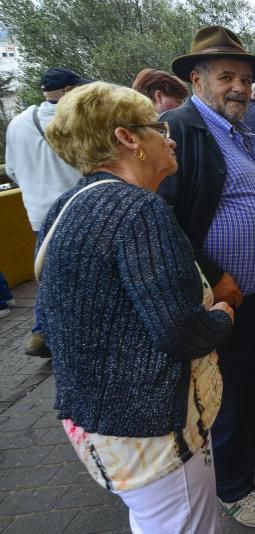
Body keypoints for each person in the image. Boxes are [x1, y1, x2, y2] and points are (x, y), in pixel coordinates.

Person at [38, 81, 234, 533]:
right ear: (127, 138)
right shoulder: (140, 211)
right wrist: (220, 319)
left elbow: (49, 318)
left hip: (100, 423)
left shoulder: (67, 205)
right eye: (158, 128)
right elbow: (180, 331)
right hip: (153, 428)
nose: (170, 138)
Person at [159, 25, 255, 527]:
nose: (239, 87)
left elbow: (233, 186)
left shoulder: (238, 129)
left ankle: (253, 444)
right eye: (226, 77)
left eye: (244, 78)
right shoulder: (181, 129)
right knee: (228, 392)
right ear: (196, 80)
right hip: (220, 296)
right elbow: (165, 221)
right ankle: (234, 487)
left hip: (254, 292)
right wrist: (214, 276)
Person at [5, 66, 88, 357]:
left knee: (50, 273)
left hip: (39, 214)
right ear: (69, 90)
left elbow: (12, 170)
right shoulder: (78, 121)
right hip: (78, 209)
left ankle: (42, 330)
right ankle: (72, 337)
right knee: (84, 276)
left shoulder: (17, 122)